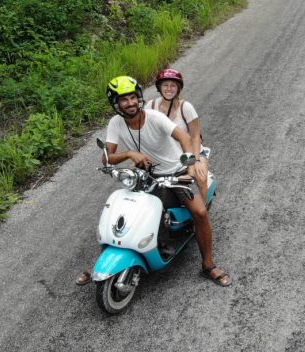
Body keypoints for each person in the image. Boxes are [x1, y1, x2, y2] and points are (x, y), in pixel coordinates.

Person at [75, 75, 231, 287]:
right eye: (123, 99)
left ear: (139, 97)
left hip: (175, 173)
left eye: (132, 97)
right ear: (116, 103)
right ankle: (107, 258)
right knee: (124, 210)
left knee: (200, 213)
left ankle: (208, 265)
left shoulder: (155, 118)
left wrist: (190, 162)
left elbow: (184, 138)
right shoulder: (116, 123)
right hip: (145, 175)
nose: (130, 103)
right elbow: (107, 157)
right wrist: (130, 153)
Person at [147, 68, 210, 203]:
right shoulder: (151, 106)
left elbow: (195, 136)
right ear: (159, 87)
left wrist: (196, 160)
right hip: (164, 153)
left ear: (178, 88)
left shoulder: (185, 107)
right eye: (165, 85)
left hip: (190, 151)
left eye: (173, 85)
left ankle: (201, 213)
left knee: (200, 177)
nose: (169, 89)